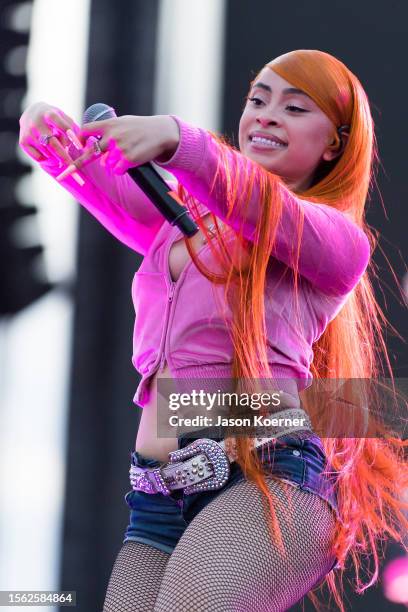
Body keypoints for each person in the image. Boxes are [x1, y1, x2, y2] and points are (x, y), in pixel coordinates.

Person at [19, 49, 408, 612]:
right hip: (158, 491)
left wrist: (180, 140)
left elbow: (253, 198)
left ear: (334, 144)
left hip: (266, 477)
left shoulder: (335, 241)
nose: (267, 115)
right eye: (258, 100)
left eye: (295, 107)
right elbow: (94, 176)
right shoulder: (182, 225)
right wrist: (47, 134)